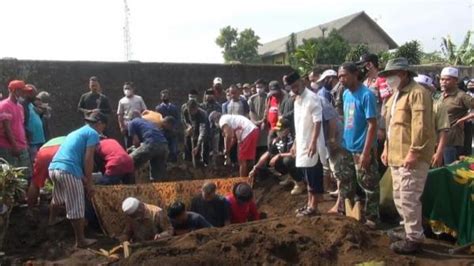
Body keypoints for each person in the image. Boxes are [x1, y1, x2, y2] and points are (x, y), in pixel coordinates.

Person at [380, 58, 435, 254]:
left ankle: (414, 238)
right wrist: (386, 148)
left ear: (403, 74)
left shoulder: (418, 93)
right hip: (396, 156)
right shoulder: (395, 96)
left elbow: (422, 127)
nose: (387, 79)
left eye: (390, 75)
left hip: (412, 157)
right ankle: (407, 229)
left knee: (409, 197)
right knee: (399, 197)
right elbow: (391, 126)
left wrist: (414, 152)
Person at [48, 112, 108, 248]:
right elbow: (88, 159)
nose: (102, 130)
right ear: (100, 124)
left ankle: (51, 221)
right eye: (103, 126)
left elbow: (72, 157)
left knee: (57, 197)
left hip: (54, 168)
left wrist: (83, 178)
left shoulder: (75, 133)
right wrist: (90, 183)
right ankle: (80, 241)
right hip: (68, 170)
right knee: (76, 205)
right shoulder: (92, 133)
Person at [338, 62, 380, 228]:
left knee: (368, 185)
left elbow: (372, 125)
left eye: (344, 75)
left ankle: (372, 218)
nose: (341, 79)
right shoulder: (346, 94)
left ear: (355, 74)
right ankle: (348, 213)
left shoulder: (367, 95)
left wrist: (366, 152)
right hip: (348, 147)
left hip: (361, 148)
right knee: (346, 182)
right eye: (339, 76)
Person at [285, 72, 326, 217]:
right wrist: (295, 143)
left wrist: (313, 142)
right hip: (302, 143)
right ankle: (309, 204)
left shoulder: (312, 98)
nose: (295, 89)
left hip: (311, 144)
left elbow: (317, 122)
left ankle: (314, 206)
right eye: (292, 87)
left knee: (313, 175)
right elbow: (298, 125)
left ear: (302, 81)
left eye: (296, 86)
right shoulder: (297, 100)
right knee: (307, 177)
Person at [249, 118, 304, 194]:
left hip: (299, 162)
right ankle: (290, 176)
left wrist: (279, 155)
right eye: (277, 130)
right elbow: (268, 153)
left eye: (280, 130)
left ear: (287, 130)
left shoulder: (292, 139)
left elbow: (294, 154)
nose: (278, 132)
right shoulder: (277, 140)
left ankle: (299, 183)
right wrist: (255, 167)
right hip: (288, 160)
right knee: (273, 159)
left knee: (288, 160)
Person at [359, 53, 390, 177]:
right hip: (366, 128)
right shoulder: (365, 82)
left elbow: (386, 103)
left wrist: (382, 127)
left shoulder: (381, 80)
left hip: (377, 126)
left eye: (363, 65)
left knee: (379, 158)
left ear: (369, 64)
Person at [437, 67, 474, 164]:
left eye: (448, 79)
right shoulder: (440, 96)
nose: (444, 82)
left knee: (450, 169)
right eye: (442, 79)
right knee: (439, 170)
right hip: (439, 138)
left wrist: (463, 119)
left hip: (452, 140)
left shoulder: (461, 96)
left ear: (456, 81)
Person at [414, 74, 450, 167]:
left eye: (423, 88)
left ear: (429, 89)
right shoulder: (408, 103)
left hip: (429, 150)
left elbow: (444, 130)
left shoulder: (438, 105)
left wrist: (439, 153)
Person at [0, 80, 33, 178]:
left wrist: (25, 143)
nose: (24, 94)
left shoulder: (20, 107)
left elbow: (20, 126)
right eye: (22, 91)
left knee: (26, 176)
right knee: (11, 178)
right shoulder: (5, 105)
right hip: (9, 147)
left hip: (22, 146)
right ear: (15, 91)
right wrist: (14, 146)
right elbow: (7, 128)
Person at [212, 113, 259, 177]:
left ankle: (242, 181)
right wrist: (228, 149)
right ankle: (252, 176)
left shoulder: (222, 120)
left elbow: (228, 136)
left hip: (247, 132)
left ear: (215, 120)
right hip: (253, 130)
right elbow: (233, 139)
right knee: (248, 158)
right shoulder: (230, 119)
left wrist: (226, 150)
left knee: (242, 160)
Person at [128, 117, 174, 181]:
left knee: (128, 161)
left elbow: (136, 143)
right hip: (164, 146)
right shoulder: (148, 122)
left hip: (152, 144)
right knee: (157, 175)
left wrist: (131, 150)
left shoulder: (131, 123)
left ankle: (127, 186)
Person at [26, 136, 66, 210]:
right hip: (61, 150)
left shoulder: (69, 137)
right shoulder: (88, 143)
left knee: (35, 183)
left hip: (44, 151)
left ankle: (30, 210)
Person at [117, 82, 147, 147]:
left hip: (139, 124)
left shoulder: (139, 98)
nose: (126, 90)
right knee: (129, 144)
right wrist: (121, 127)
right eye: (125, 88)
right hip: (127, 125)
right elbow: (120, 115)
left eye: (128, 88)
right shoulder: (121, 101)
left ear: (133, 89)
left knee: (141, 144)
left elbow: (144, 111)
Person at [182, 100, 210, 165]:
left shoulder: (203, 115)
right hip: (192, 128)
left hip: (204, 130)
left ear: (196, 108)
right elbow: (185, 120)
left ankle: (204, 163)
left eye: (193, 111)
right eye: (189, 110)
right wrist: (189, 126)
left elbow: (202, 131)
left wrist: (197, 146)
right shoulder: (185, 111)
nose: (191, 113)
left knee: (204, 143)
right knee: (187, 140)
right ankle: (189, 161)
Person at [23, 84, 46, 163]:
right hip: (32, 141)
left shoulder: (31, 105)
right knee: (35, 163)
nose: (34, 95)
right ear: (25, 94)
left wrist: (42, 112)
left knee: (41, 161)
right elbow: (22, 122)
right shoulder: (23, 105)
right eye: (32, 93)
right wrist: (27, 133)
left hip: (39, 139)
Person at [156, 89, 180, 162]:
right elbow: (158, 120)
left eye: (166, 95)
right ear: (161, 97)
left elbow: (178, 118)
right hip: (163, 132)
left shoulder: (174, 107)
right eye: (163, 96)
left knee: (174, 149)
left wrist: (175, 128)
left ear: (169, 96)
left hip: (173, 132)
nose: (165, 97)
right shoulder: (158, 108)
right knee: (164, 149)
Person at [201, 89, 222, 164]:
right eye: (208, 94)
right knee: (205, 147)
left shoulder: (218, 106)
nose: (209, 96)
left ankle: (214, 163)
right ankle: (205, 163)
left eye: (211, 94)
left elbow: (219, 117)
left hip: (215, 130)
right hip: (205, 130)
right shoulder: (202, 106)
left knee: (215, 149)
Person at [248, 79, 269, 158]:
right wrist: (255, 122)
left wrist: (263, 120)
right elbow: (251, 112)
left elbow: (268, 110)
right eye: (257, 87)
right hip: (255, 125)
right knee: (256, 146)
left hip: (265, 125)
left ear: (264, 87)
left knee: (265, 146)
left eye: (260, 87)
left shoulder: (268, 97)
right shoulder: (252, 98)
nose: (259, 89)